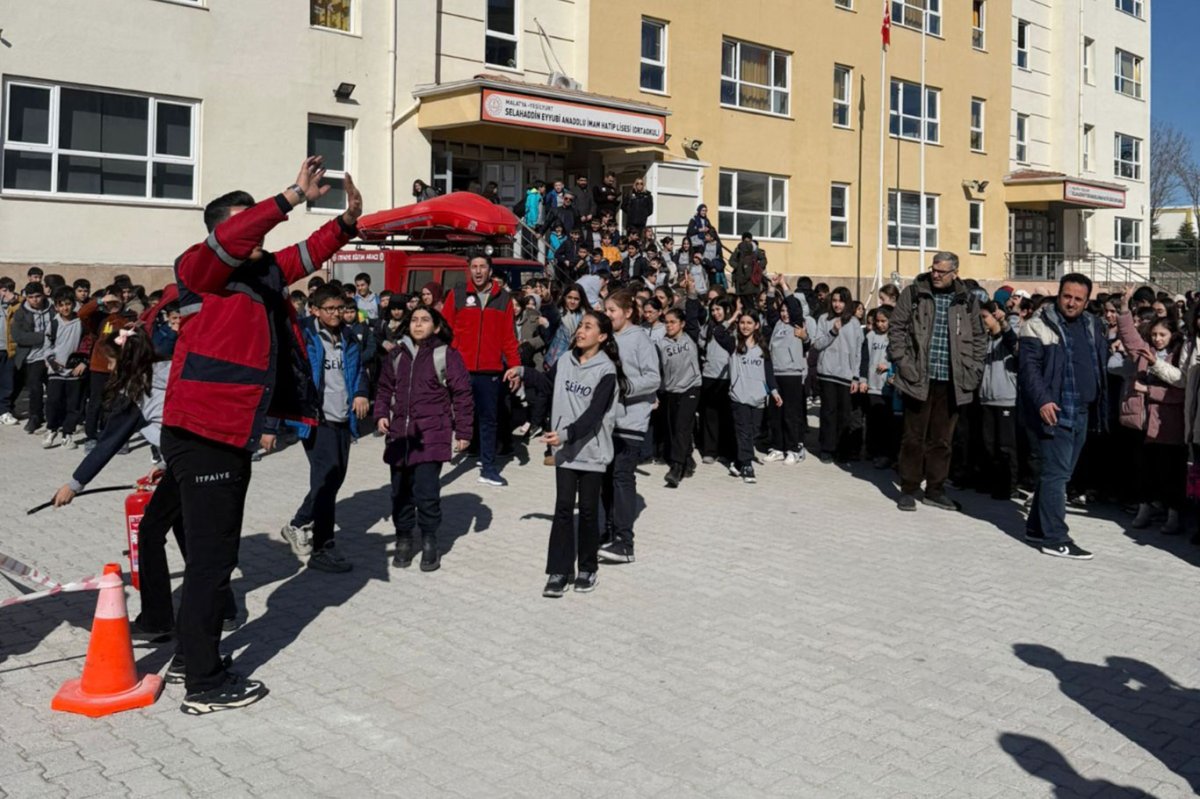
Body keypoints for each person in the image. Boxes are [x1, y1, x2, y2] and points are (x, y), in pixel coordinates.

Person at [161, 156, 362, 714]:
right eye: (246, 223)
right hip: (203, 435)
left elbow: (303, 256)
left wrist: (345, 224)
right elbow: (240, 235)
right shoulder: (199, 267)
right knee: (211, 561)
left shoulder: (259, 273)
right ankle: (202, 681)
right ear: (222, 232)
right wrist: (288, 198)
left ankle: (189, 657)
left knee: (210, 557)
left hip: (226, 436)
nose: (261, 230)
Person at [511, 311, 623, 597]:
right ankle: (559, 571)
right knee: (563, 509)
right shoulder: (565, 360)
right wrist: (523, 372)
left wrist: (564, 434)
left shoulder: (606, 371)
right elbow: (547, 384)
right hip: (565, 451)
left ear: (602, 336)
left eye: (588, 327)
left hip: (592, 451)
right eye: (580, 326)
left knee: (587, 511)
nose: (581, 331)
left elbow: (594, 416)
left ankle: (588, 568)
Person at [274, 285, 371, 572]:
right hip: (316, 419)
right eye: (329, 308)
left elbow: (358, 372)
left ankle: (296, 524)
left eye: (339, 308)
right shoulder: (303, 336)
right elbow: (285, 373)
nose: (336, 314)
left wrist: (361, 393)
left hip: (343, 416)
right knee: (327, 482)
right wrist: (270, 425)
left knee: (333, 479)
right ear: (314, 310)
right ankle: (323, 548)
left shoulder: (349, 336)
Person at [376, 305, 473, 572]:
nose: (418, 324)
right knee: (399, 492)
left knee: (426, 493)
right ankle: (404, 537)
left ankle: (430, 539)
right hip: (399, 436)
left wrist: (464, 432)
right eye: (415, 320)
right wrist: (381, 413)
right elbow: (384, 388)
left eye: (425, 320)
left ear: (437, 326)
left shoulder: (446, 355)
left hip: (432, 434)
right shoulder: (396, 355)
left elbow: (463, 394)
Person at [1018, 273, 1107, 560]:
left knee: (1057, 474)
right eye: (1066, 296)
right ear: (1059, 294)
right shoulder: (1037, 325)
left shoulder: (1092, 324)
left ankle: (1035, 527)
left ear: (1086, 301)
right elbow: (1029, 370)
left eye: (1078, 299)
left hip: (1083, 410)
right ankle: (1056, 538)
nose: (1071, 302)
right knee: (1057, 476)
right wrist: (1043, 400)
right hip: (1055, 411)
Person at [888, 252, 985, 512]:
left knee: (942, 440)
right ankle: (908, 489)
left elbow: (978, 338)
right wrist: (903, 362)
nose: (936, 275)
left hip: (953, 380)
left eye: (942, 271)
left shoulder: (967, 300)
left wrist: (974, 370)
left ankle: (935, 489)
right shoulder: (914, 293)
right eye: (934, 269)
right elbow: (896, 327)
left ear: (955, 272)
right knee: (913, 438)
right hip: (918, 377)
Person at [440, 252, 522, 487]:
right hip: (460, 368)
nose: (477, 271)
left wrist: (515, 365)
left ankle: (488, 467)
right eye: (473, 266)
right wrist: (448, 358)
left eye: (482, 267)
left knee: (488, 419)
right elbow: (444, 329)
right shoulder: (457, 295)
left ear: (489, 270)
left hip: (490, 370)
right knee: (453, 413)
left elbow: (509, 336)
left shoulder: (503, 298)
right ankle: (445, 453)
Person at [1111, 312, 1186, 534]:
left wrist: (1149, 390)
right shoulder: (1146, 352)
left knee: (1170, 471)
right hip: (1144, 423)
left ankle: (1173, 514)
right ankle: (1145, 507)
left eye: (1162, 334)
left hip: (1169, 423)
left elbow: (1181, 392)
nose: (1157, 339)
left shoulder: (1179, 355)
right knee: (1144, 468)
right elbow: (1130, 338)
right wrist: (1124, 310)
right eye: (1154, 334)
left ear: (1172, 335)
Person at [599, 289, 660, 563]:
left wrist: (625, 387)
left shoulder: (641, 340)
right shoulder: (607, 338)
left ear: (628, 312)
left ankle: (625, 542)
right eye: (606, 310)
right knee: (605, 479)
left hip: (632, 420)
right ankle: (609, 531)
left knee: (622, 478)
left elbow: (653, 378)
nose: (608, 314)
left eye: (612, 310)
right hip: (607, 421)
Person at [712, 311, 781, 483]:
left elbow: (768, 371)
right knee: (743, 432)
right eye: (742, 322)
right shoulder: (733, 344)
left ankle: (737, 462)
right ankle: (747, 465)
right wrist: (733, 317)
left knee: (754, 432)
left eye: (749, 322)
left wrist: (774, 391)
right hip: (739, 397)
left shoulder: (762, 347)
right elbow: (717, 333)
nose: (745, 326)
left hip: (758, 397)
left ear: (756, 325)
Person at [809, 287, 865, 464]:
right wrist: (832, 331)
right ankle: (827, 448)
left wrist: (856, 376)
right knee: (828, 412)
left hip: (846, 376)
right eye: (834, 300)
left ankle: (843, 450)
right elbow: (817, 344)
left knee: (845, 415)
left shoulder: (854, 323)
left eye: (841, 301)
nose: (837, 304)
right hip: (827, 373)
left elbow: (858, 352)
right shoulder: (824, 319)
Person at [656, 287, 703, 487]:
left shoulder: (690, 337)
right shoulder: (661, 344)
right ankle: (688, 459)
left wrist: (691, 291)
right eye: (666, 322)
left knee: (682, 428)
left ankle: (676, 468)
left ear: (682, 324)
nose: (669, 326)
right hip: (671, 390)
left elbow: (692, 312)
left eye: (673, 322)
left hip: (691, 388)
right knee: (674, 429)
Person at [978, 302, 1020, 499]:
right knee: (989, 445)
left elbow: (1013, 341)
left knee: (1006, 446)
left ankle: (1008, 486)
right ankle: (992, 482)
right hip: (987, 399)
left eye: (985, 317)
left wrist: (1004, 322)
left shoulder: (1007, 340)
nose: (982, 321)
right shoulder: (984, 340)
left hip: (1006, 400)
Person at [41, 286, 89, 450]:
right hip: (56, 371)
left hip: (75, 372)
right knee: (53, 402)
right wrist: (52, 361)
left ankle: (67, 435)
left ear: (73, 304)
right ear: (56, 306)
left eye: (68, 304)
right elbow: (46, 346)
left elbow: (89, 345)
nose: (65, 308)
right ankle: (51, 429)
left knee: (73, 405)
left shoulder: (81, 323)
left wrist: (84, 363)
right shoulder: (53, 324)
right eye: (61, 305)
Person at [766, 289, 809, 464]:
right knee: (776, 413)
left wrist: (784, 286)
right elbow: (769, 311)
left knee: (790, 414)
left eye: (787, 310)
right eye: (782, 311)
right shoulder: (777, 325)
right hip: (776, 373)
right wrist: (770, 292)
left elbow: (794, 308)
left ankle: (794, 449)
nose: (785, 314)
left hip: (792, 374)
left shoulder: (798, 324)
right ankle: (778, 447)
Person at [11, 281, 53, 434]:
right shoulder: (21, 313)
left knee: (53, 388)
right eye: (31, 297)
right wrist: (43, 336)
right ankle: (35, 416)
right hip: (32, 356)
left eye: (38, 296)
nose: (35, 300)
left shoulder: (53, 309)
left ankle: (53, 416)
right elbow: (19, 336)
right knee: (34, 388)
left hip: (51, 355)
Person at [0, 277, 20, 426]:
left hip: (8, 349)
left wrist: (16, 300)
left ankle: (4, 411)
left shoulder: (15, 305)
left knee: (7, 382)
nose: (7, 294)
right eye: (4, 290)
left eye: (10, 291)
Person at [729, 233, 766, 303]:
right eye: (745, 241)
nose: (746, 244)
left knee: (752, 300)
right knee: (741, 300)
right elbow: (731, 261)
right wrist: (739, 266)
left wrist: (756, 267)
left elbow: (763, 260)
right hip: (740, 279)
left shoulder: (755, 249)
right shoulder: (738, 249)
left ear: (751, 240)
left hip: (752, 279)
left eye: (748, 241)